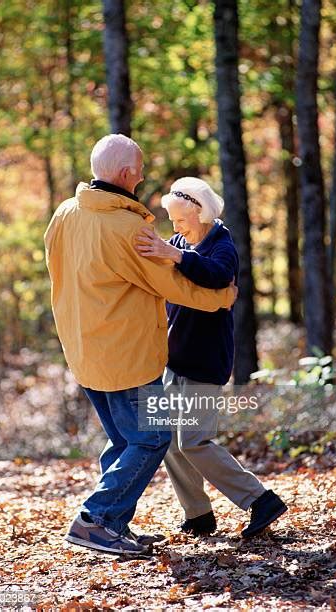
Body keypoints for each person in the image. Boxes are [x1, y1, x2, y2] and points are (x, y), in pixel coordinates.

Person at [44, 136, 237, 556]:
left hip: (83, 349)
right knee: (152, 438)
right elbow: (173, 285)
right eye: (141, 169)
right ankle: (94, 519)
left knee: (121, 441)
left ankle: (113, 524)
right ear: (128, 175)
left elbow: (56, 271)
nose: (144, 175)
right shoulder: (128, 228)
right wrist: (222, 297)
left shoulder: (64, 213)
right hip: (126, 354)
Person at [135, 176, 288, 539]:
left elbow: (218, 275)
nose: (175, 227)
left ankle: (260, 500)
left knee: (194, 441)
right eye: (171, 221)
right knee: (165, 439)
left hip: (205, 361)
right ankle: (198, 514)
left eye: (180, 219)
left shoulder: (222, 243)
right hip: (172, 360)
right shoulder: (178, 242)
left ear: (200, 211)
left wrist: (175, 255)